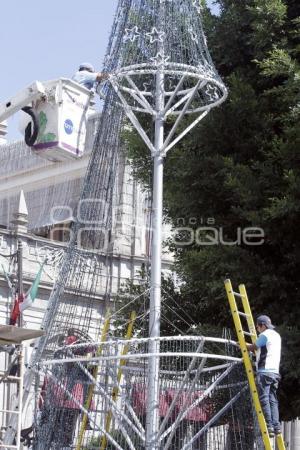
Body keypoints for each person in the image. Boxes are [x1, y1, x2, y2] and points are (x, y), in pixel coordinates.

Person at [247, 315, 282, 437]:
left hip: (264, 372)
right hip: (275, 373)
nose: (257, 329)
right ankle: (277, 427)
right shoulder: (276, 336)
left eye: (258, 326)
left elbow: (253, 347)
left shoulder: (265, 335)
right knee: (273, 400)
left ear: (263, 325)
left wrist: (241, 345)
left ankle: (269, 426)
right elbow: (261, 350)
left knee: (264, 399)